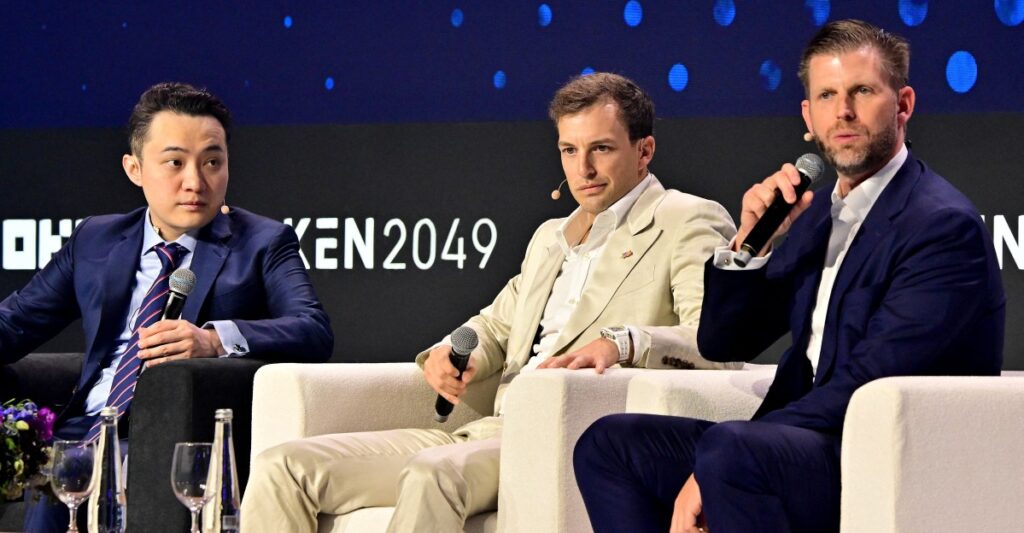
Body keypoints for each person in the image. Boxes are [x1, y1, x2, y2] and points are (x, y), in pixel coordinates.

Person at [240, 72, 737, 532]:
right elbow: (496, 325)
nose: (582, 169)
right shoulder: (551, 237)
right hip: (487, 431)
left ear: (644, 150)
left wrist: (624, 343)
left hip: (566, 437)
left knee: (431, 473)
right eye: (568, 150)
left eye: (601, 149)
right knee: (283, 467)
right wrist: (456, 353)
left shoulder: (685, 219)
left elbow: (718, 344)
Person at [573, 19, 1005, 533]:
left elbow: (868, 381)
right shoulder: (816, 213)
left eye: (862, 91)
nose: (842, 112)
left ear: (904, 104)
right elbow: (723, 341)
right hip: (793, 446)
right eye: (826, 96)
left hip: (879, 456)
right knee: (610, 446)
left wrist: (715, 464)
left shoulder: (940, 226)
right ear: (808, 115)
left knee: (730, 452)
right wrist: (749, 245)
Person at [0, 82, 334, 532]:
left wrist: (214, 340)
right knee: (60, 473)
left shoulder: (261, 243)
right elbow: (15, 323)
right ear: (135, 169)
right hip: (82, 430)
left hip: (173, 437)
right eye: (175, 162)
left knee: (72, 482)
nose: (195, 182)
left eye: (212, 162)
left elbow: (313, 330)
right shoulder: (96, 239)